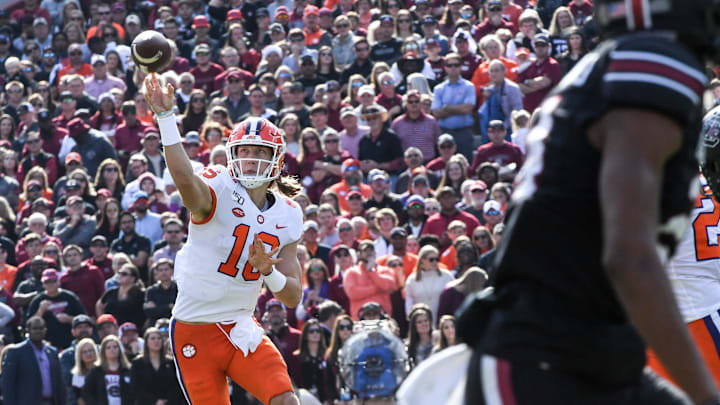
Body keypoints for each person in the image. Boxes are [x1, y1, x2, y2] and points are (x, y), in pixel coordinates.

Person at [399, 1, 720, 404]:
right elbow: (629, 258)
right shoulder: (653, 64)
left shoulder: (610, 66)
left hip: (578, 355)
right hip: (547, 363)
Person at [144, 74, 302, 405]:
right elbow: (185, 179)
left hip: (239, 325)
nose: (249, 159)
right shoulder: (218, 187)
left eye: (259, 152)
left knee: (286, 400)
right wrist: (166, 119)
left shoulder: (288, 213)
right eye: (243, 151)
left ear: (277, 161)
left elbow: (291, 296)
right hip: (194, 329)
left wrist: (268, 271)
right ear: (231, 154)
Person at [1, 316, 67, 405]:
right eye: (35, 328)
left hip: (50, 402)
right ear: (28, 330)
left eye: (41, 328)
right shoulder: (16, 352)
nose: (38, 331)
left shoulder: (52, 352)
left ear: (46, 330)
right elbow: (7, 385)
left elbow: (59, 382)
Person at [431, 53, 476, 162]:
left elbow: (467, 109)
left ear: (461, 66)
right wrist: (458, 109)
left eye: (456, 65)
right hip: (444, 132)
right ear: (445, 67)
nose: (453, 68)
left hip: (463, 132)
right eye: (449, 65)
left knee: (465, 164)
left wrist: (446, 108)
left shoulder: (469, 86)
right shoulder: (439, 88)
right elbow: (436, 112)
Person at [27, 268, 86, 349]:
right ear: (43, 284)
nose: (50, 284)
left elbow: (84, 319)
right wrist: (40, 311)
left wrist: (69, 319)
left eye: (53, 281)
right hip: (47, 344)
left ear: (58, 282)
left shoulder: (70, 297)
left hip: (69, 341)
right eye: (47, 282)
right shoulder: (38, 300)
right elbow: (29, 325)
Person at [130, 327, 184, 405]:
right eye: (153, 338)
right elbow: (135, 388)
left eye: (159, 338)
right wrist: (154, 401)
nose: (156, 341)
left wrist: (166, 401)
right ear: (146, 342)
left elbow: (176, 386)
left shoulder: (170, 362)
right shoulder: (138, 363)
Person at [343, 240, 395, 320]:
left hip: (383, 318)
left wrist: (371, 271)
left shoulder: (385, 270)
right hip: (360, 319)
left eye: (371, 250)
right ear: (359, 254)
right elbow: (353, 293)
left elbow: (389, 286)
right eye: (365, 251)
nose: (368, 253)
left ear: (375, 252)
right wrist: (377, 288)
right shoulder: (351, 272)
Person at [82, 335, 133, 405]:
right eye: (108, 347)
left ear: (120, 350)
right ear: (103, 351)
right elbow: (87, 392)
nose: (112, 349)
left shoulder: (128, 370)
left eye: (115, 347)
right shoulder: (96, 371)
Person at [68, 337, 98, 405]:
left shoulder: (102, 370)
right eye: (84, 352)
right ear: (80, 356)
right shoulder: (77, 375)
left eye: (91, 350)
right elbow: (79, 399)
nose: (88, 354)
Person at [406, 303, 434, 369]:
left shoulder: (438, 340)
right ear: (414, 326)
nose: (424, 324)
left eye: (426, 320)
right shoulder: (409, 346)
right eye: (419, 322)